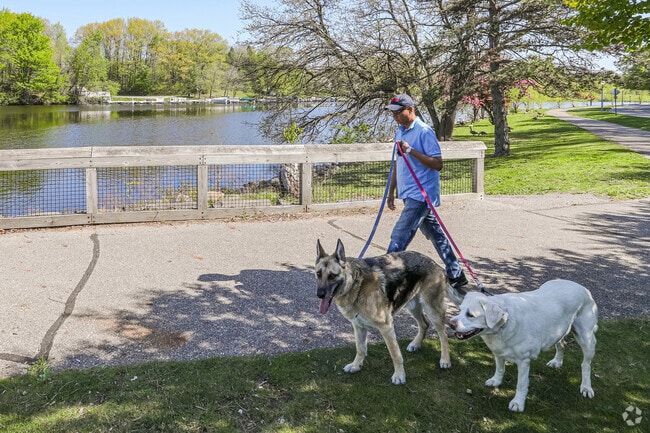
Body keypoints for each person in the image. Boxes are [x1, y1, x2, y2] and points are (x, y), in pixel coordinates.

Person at [385, 94, 468, 289]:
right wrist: (391, 192)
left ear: (410, 110)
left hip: (421, 195)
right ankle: (456, 274)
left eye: (398, 113)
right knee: (435, 234)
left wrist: (411, 150)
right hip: (408, 193)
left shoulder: (424, 132)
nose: (395, 117)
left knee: (400, 234)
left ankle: (383, 275)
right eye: (393, 114)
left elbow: (438, 164)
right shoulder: (400, 132)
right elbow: (399, 163)